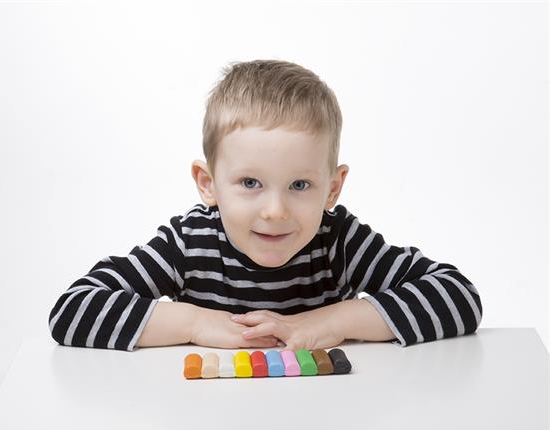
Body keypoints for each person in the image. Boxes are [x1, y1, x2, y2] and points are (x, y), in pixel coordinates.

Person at [48, 59, 482, 352]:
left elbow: (457, 295)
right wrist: (196, 324)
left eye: (300, 185)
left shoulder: (337, 241)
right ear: (208, 184)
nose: (275, 211)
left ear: (332, 189)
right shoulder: (189, 243)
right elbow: (73, 308)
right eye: (250, 183)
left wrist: (329, 323)